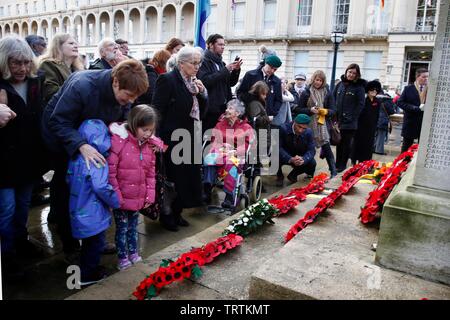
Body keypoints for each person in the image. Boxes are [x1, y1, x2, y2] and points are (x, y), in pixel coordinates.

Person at [41, 60, 148, 263]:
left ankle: (95, 239)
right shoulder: (82, 85)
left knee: (96, 189)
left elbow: (123, 117)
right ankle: (70, 243)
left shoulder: (126, 91)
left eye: (135, 97)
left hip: (93, 139)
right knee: (68, 189)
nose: (130, 101)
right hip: (63, 140)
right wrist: (81, 145)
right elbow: (58, 121)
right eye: (128, 96)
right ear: (115, 82)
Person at [0, 35, 47, 279]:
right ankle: (6, 255)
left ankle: (21, 241)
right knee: (6, 210)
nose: (22, 68)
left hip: (28, 159)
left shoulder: (35, 82)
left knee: (22, 207)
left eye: (26, 62)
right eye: (15, 63)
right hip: (4, 163)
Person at [152, 46, 208, 232]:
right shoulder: (167, 80)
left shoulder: (193, 81)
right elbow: (157, 110)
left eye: (198, 63)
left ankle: (178, 212)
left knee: (186, 178)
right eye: (193, 63)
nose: (197, 66)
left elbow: (201, 111)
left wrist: (202, 94)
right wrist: (158, 139)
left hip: (190, 136)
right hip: (171, 137)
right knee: (172, 178)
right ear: (181, 64)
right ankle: (167, 215)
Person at [108, 105, 163, 270]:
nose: (147, 134)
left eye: (150, 130)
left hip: (137, 197)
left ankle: (133, 253)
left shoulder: (149, 147)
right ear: (133, 124)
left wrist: (149, 196)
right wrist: (115, 196)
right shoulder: (119, 143)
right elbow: (111, 173)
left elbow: (151, 174)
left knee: (133, 228)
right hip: (122, 198)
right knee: (122, 229)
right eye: (144, 129)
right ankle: (122, 257)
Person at [66, 119, 120, 286]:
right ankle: (88, 275)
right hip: (93, 213)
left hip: (78, 208)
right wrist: (116, 201)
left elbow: (68, 178)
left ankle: (85, 268)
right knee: (95, 243)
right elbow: (101, 186)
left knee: (88, 243)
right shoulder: (98, 160)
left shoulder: (76, 158)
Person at [203, 99, 253, 208]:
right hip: (220, 151)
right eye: (227, 107)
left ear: (237, 113)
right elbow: (214, 140)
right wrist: (222, 146)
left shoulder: (246, 127)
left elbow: (247, 145)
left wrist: (235, 150)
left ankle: (229, 195)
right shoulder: (220, 124)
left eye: (230, 108)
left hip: (236, 154)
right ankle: (207, 187)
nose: (226, 110)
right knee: (209, 159)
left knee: (231, 164)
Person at [295, 70, 337, 180]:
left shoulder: (327, 93)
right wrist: (310, 110)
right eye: (316, 80)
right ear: (313, 79)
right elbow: (299, 109)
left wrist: (325, 111)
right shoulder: (306, 92)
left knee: (327, 148)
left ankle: (333, 171)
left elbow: (333, 110)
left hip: (322, 125)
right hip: (308, 125)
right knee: (308, 150)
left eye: (320, 80)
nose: (318, 82)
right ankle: (309, 171)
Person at [198, 34, 242, 132]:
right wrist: (225, 70)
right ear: (210, 45)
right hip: (209, 110)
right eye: (220, 44)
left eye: (224, 45)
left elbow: (230, 83)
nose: (223, 47)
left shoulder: (221, 63)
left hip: (223, 109)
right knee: (207, 140)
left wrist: (236, 70)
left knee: (221, 140)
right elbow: (205, 81)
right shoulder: (203, 62)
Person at [333, 63, 366, 172]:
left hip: (350, 123)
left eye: (354, 73)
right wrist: (334, 117)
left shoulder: (359, 87)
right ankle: (337, 165)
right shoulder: (339, 85)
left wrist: (352, 117)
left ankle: (342, 166)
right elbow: (333, 100)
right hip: (338, 121)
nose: (351, 75)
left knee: (346, 145)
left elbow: (360, 105)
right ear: (346, 71)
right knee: (339, 144)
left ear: (357, 75)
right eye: (350, 72)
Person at [38, 33, 84, 106]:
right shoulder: (48, 64)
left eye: (76, 44)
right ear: (59, 47)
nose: (76, 46)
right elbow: (50, 92)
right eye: (71, 43)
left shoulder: (78, 68)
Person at [397, 68, 429, 152]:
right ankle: (403, 164)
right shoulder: (408, 88)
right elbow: (400, 102)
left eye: (427, 77)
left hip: (424, 123)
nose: (426, 79)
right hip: (410, 122)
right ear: (417, 77)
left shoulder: (430, 89)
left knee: (422, 149)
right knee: (406, 147)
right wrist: (413, 108)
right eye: (424, 77)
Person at [351, 80, 382, 164]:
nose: (374, 92)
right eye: (372, 90)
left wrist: (375, 126)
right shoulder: (364, 100)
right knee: (358, 144)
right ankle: (354, 161)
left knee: (369, 146)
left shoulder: (378, 102)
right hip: (361, 127)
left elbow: (377, 115)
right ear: (368, 90)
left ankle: (366, 163)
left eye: (376, 90)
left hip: (371, 128)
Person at [279, 114, 316, 183]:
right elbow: (278, 147)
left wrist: (304, 159)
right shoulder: (283, 128)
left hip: (300, 155)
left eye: (304, 128)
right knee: (274, 156)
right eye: (299, 127)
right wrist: (290, 158)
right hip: (286, 153)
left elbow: (312, 150)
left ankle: (294, 174)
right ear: (294, 122)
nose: (300, 130)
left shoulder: (309, 132)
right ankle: (279, 175)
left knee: (312, 163)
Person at [374, 90, 396, 155]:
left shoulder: (376, 98)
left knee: (375, 135)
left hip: (375, 119)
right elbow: (391, 111)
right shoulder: (388, 100)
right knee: (381, 136)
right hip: (383, 120)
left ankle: (373, 148)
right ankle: (379, 151)